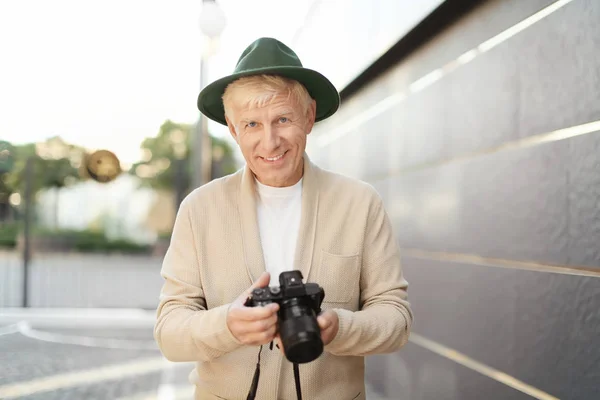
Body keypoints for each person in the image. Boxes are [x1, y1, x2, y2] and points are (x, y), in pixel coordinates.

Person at [154, 37, 413, 400]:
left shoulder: (360, 203)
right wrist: (227, 324)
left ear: (309, 117)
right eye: (252, 125)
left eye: (283, 119)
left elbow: (396, 320)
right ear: (232, 129)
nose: (270, 141)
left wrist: (339, 327)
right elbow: (170, 333)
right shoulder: (200, 209)